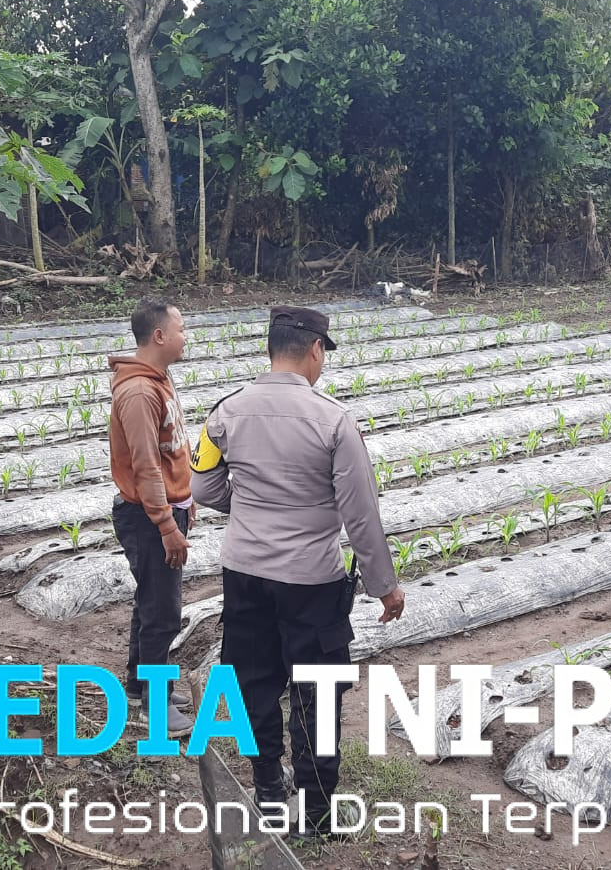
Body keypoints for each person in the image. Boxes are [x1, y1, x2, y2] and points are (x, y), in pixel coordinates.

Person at [191, 305, 406, 841]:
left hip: (244, 571)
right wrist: (384, 586)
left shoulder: (224, 413)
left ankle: (267, 784)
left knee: (253, 679)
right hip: (311, 580)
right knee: (317, 689)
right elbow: (360, 513)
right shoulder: (334, 421)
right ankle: (314, 813)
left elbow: (203, 488)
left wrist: (251, 511)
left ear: (271, 348)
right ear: (314, 350)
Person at [109, 297, 195, 737]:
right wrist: (166, 524)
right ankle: (155, 710)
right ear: (159, 336)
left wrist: (186, 496)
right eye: (181, 330)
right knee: (163, 612)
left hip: (162, 508)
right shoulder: (140, 392)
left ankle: (139, 685)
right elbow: (145, 466)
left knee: (151, 601)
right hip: (147, 516)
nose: (186, 338)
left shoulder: (158, 380)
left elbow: (170, 450)